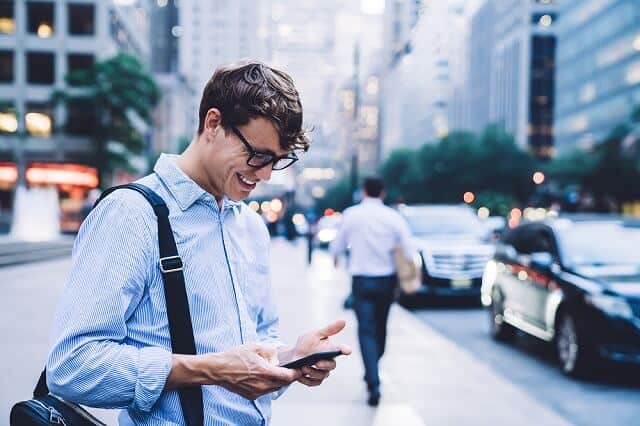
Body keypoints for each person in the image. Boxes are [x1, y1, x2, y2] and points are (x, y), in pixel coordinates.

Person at [46, 61, 351, 425]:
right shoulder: (130, 215)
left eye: (278, 162)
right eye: (259, 155)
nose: (267, 174)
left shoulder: (251, 227)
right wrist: (210, 369)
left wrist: (290, 359)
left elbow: (254, 351)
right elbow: (73, 367)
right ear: (213, 123)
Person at [329, 177, 413, 407]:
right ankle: (373, 372)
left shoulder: (351, 214)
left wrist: (336, 258)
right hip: (386, 280)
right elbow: (408, 248)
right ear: (383, 193)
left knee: (366, 330)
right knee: (381, 328)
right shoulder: (393, 217)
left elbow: (337, 245)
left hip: (361, 280)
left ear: (364, 191)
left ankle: (372, 378)